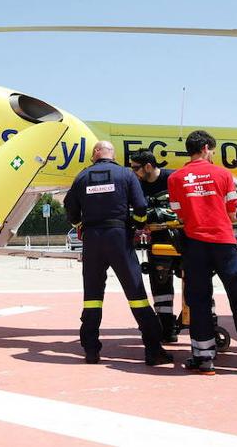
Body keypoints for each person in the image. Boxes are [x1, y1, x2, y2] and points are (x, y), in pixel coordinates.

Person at [168, 129, 237, 375]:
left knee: (199, 302)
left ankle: (204, 359)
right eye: (212, 150)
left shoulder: (175, 179)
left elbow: (178, 214)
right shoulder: (224, 175)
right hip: (224, 243)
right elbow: (233, 213)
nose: (213, 154)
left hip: (194, 246)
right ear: (206, 148)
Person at [64, 140, 172, 366]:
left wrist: (79, 225)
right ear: (112, 155)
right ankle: (153, 350)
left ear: (96, 153)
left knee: (92, 297)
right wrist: (137, 224)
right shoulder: (126, 175)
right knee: (137, 296)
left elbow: (70, 207)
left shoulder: (82, 177)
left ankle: (91, 350)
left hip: (92, 240)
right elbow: (141, 206)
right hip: (119, 237)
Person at [130, 150, 180, 342]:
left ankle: (204, 323)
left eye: (136, 168)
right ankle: (167, 328)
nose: (133, 172)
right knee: (160, 283)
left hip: (181, 238)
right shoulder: (138, 185)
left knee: (193, 281)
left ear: (148, 166)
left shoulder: (173, 178)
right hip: (157, 240)